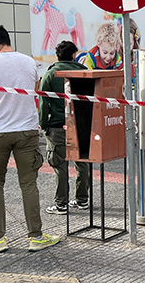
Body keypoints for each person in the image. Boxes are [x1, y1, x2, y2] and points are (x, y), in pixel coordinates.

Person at [0, 25, 61, 253]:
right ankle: (36, 237)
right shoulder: (29, 62)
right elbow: (33, 94)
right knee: (28, 184)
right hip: (26, 131)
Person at [39, 41, 91, 215]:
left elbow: (44, 102)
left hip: (57, 125)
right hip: (81, 126)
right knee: (82, 162)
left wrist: (44, 124)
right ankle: (82, 199)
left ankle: (61, 204)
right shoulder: (83, 72)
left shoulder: (51, 74)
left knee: (60, 165)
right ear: (74, 55)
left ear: (57, 55)